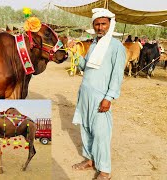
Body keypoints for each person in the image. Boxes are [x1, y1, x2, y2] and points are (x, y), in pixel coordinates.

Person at [69, 8, 126, 179]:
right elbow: (84, 67)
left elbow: (117, 76)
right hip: (85, 94)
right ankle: (89, 161)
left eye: (103, 24)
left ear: (110, 25)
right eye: (97, 24)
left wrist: (108, 98)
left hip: (101, 97)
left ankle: (105, 171)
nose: (100, 27)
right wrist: (75, 53)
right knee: (85, 129)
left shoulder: (117, 46)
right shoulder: (93, 44)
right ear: (93, 25)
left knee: (101, 134)